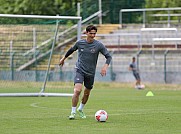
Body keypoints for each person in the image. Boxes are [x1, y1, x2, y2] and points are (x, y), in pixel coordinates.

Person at [59, 25, 112, 120]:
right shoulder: (80, 43)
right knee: (77, 90)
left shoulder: (98, 45)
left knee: (86, 93)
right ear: (86, 33)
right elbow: (71, 50)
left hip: (90, 73)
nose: (93, 35)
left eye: (94, 33)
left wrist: (105, 67)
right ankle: (73, 112)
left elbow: (109, 56)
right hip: (79, 70)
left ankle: (80, 109)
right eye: (91, 33)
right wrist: (63, 58)